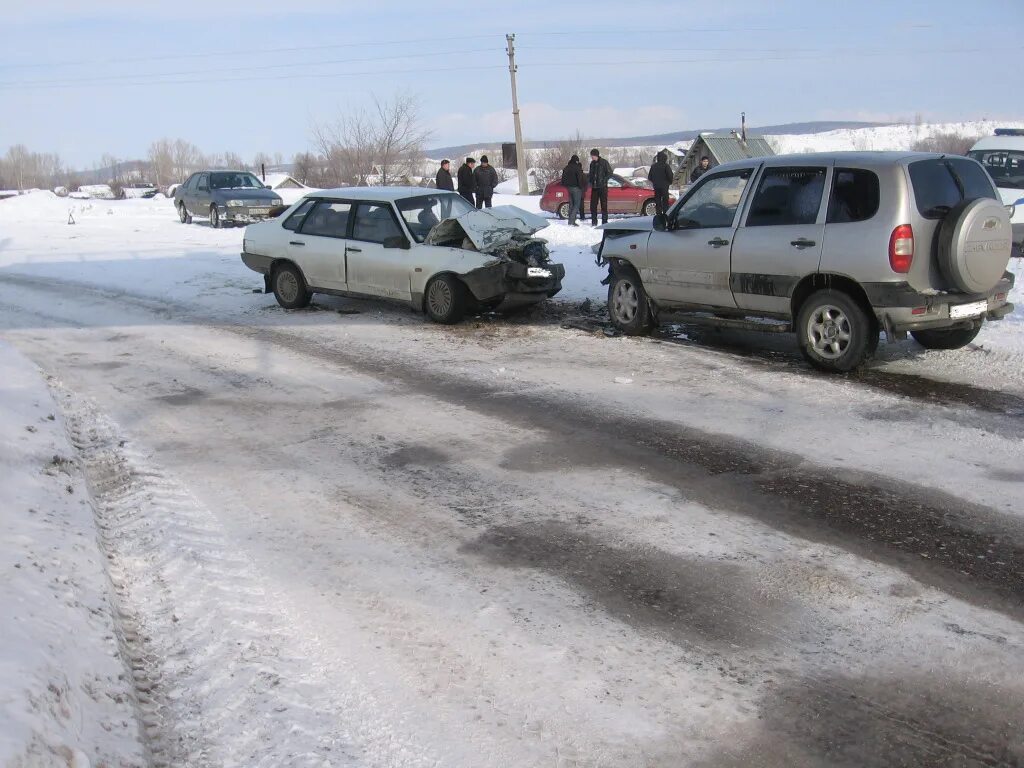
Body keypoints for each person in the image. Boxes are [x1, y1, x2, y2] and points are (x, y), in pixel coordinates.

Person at [588, 148, 612, 225]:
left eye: (592, 156)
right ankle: (594, 222)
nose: (591, 157)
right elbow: (590, 174)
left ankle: (604, 222)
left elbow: (610, 173)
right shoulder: (592, 163)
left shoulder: (604, 162)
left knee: (604, 205)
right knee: (593, 206)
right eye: (591, 156)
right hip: (594, 188)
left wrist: (604, 181)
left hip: (602, 188)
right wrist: (590, 181)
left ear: (596, 155)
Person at [560, 154, 586, 226]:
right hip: (576, 188)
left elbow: (563, 179)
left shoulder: (566, 167)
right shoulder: (577, 168)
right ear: (576, 161)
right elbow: (580, 178)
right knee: (576, 205)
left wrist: (566, 186)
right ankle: (572, 221)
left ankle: (570, 221)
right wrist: (581, 187)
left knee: (571, 204)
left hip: (568, 188)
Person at [647, 150, 673, 215]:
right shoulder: (666, 166)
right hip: (664, 186)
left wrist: (655, 182)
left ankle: (658, 214)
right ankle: (665, 214)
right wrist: (669, 182)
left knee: (658, 201)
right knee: (665, 201)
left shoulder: (653, 166)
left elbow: (649, 177)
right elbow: (670, 175)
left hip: (656, 186)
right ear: (665, 158)